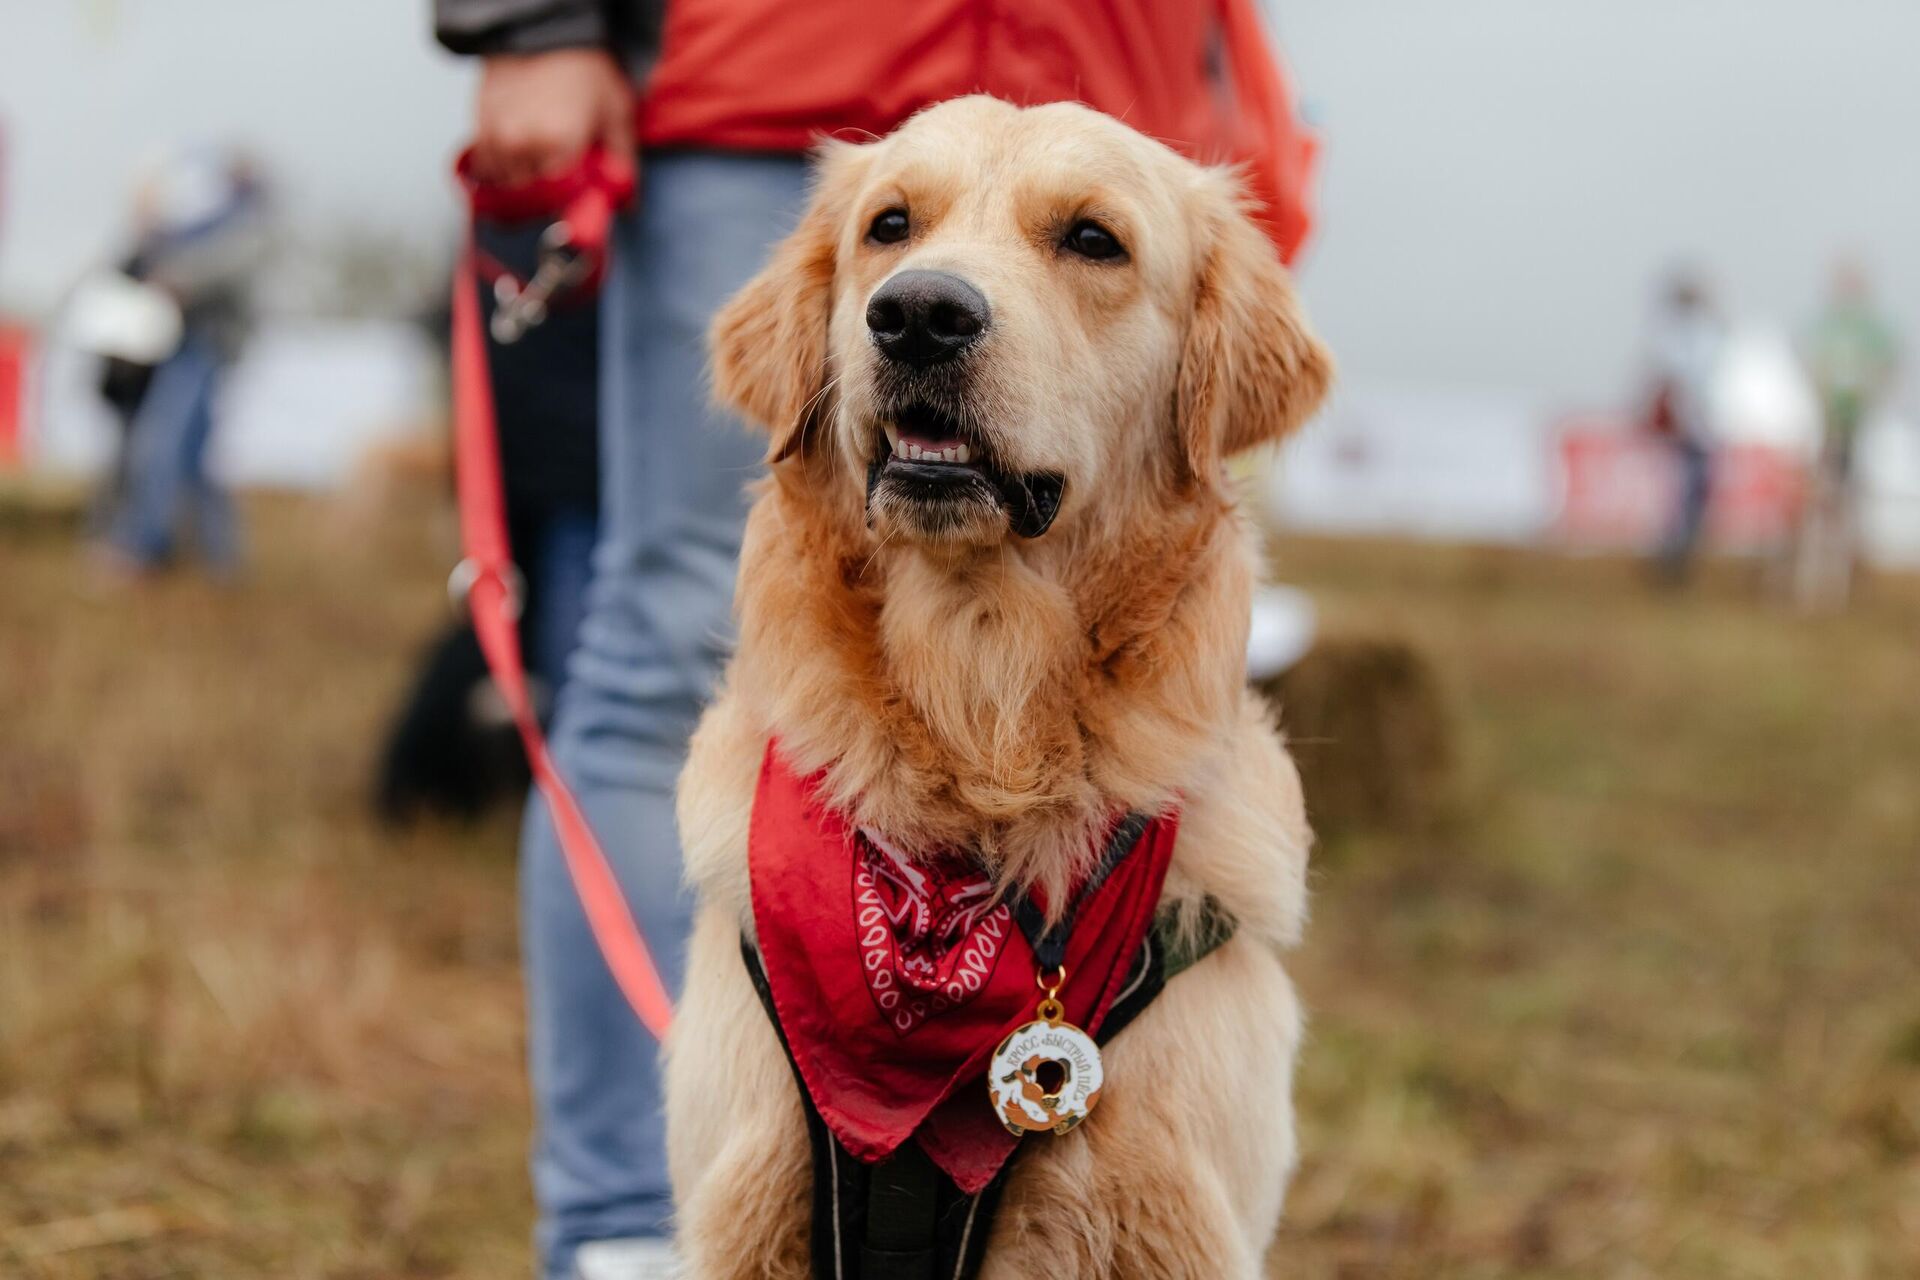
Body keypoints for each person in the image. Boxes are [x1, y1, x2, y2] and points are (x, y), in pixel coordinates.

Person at [430, 5, 1315, 1277]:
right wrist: (536, 19)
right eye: (893, 235)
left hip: (1110, 46)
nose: (926, 296)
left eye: (1087, 242)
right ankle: (619, 1235)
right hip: (764, 55)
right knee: (655, 642)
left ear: (1203, 369)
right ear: (821, 342)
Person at [90, 147, 268, 581]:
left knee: (163, 444)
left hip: (203, 347)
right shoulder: (198, 222)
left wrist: (176, 276)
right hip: (177, 344)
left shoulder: (244, 223)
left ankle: (146, 547)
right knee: (191, 456)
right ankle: (218, 561)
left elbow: (221, 267)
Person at [1795, 258, 1901, 608]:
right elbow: (1810, 363)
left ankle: (1842, 576)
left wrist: (1871, 396)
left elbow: (1890, 364)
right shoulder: (1826, 325)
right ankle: (1814, 578)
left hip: (1855, 426)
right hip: (1828, 424)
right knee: (1821, 496)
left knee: (1849, 498)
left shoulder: (1871, 329)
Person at [1642, 269, 1725, 584]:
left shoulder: (1695, 333)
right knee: (1684, 497)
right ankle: (1673, 560)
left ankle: (1679, 558)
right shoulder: (1679, 335)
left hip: (1699, 430)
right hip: (1687, 430)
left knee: (1692, 497)